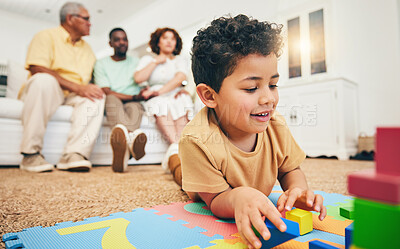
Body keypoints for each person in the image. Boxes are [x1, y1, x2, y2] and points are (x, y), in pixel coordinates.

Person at [179, 15, 327, 249]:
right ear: (209, 96)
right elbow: (216, 199)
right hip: (204, 183)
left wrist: (297, 190)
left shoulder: (275, 126)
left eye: (273, 84)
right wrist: (238, 196)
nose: (269, 98)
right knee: (179, 172)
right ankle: (171, 159)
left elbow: (290, 169)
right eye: (251, 88)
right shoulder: (196, 140)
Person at [19, 2, 105, 172]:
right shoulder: (45, 36)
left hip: (74, 94)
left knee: (97, 95)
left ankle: (73, 154)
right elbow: (36, 68)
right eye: (86, 19)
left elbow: (92, 79)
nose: (90, 23)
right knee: (43, 80)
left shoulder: (87, 49)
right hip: (50, 89)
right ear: (70, 19)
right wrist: (78, 87)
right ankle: (30, 155)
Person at [94, 28, 157, 172]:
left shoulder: (136, 62)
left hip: (134, 101)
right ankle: (131, 142)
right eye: (117, 40)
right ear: (110, 43)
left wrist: (144, 92)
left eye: (124, 39)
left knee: (136, 107)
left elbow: (144, 81)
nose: (122, 42)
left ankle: (124, 151)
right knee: (110, 99)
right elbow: (106, 91)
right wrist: (134, 96)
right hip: (114, 98)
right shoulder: (101, 64)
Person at [134, 27, 194, 172]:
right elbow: (138, 78)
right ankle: (175, 148)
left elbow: (180, 78)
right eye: (165, 38)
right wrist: (156, 61)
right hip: (155, 96)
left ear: (176, 43)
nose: (169, 41)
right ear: (158, 42)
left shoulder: (180, 60)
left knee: (182, 101)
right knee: (159, 103)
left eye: (172, 39)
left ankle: (179, 151)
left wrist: (158, 92)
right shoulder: (148, 59)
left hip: (172, 92)